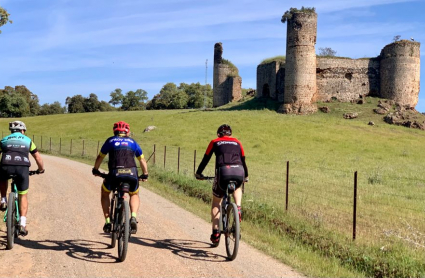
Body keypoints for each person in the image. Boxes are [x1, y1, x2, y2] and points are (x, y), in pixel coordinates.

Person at [195, 124, 248, 244]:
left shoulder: (215, 142)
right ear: (230, 134)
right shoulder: (238, 142)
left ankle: (216, 233)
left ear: (219, 134)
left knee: (216, 202)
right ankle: (238, 208)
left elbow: (206, 159)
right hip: (239, 171)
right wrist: (246, 176)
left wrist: (198, 173)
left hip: (223, 172)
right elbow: (243, 160)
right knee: (238, 186)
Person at [92, 121, 148, 234]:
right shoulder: (132, 142)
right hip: (131, 174)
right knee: (134, 194)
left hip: (114, 174)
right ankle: (133, 216)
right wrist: (145, 173)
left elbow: (100, 157)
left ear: (114, 131)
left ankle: (108, 222)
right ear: (127, 131)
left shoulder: (110, 141)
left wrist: (96, 169)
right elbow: (141, 160)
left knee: (105, 192)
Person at [0, 121, 45, 236]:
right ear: (23, 131)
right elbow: (37, 157)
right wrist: (40, 169)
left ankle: (3, 199)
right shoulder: (28, 141)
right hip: (22, 168)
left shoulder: (4, 139)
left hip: (6, 165)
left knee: (3, 176)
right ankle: (22, 224)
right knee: (23, 195)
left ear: (11, 131)